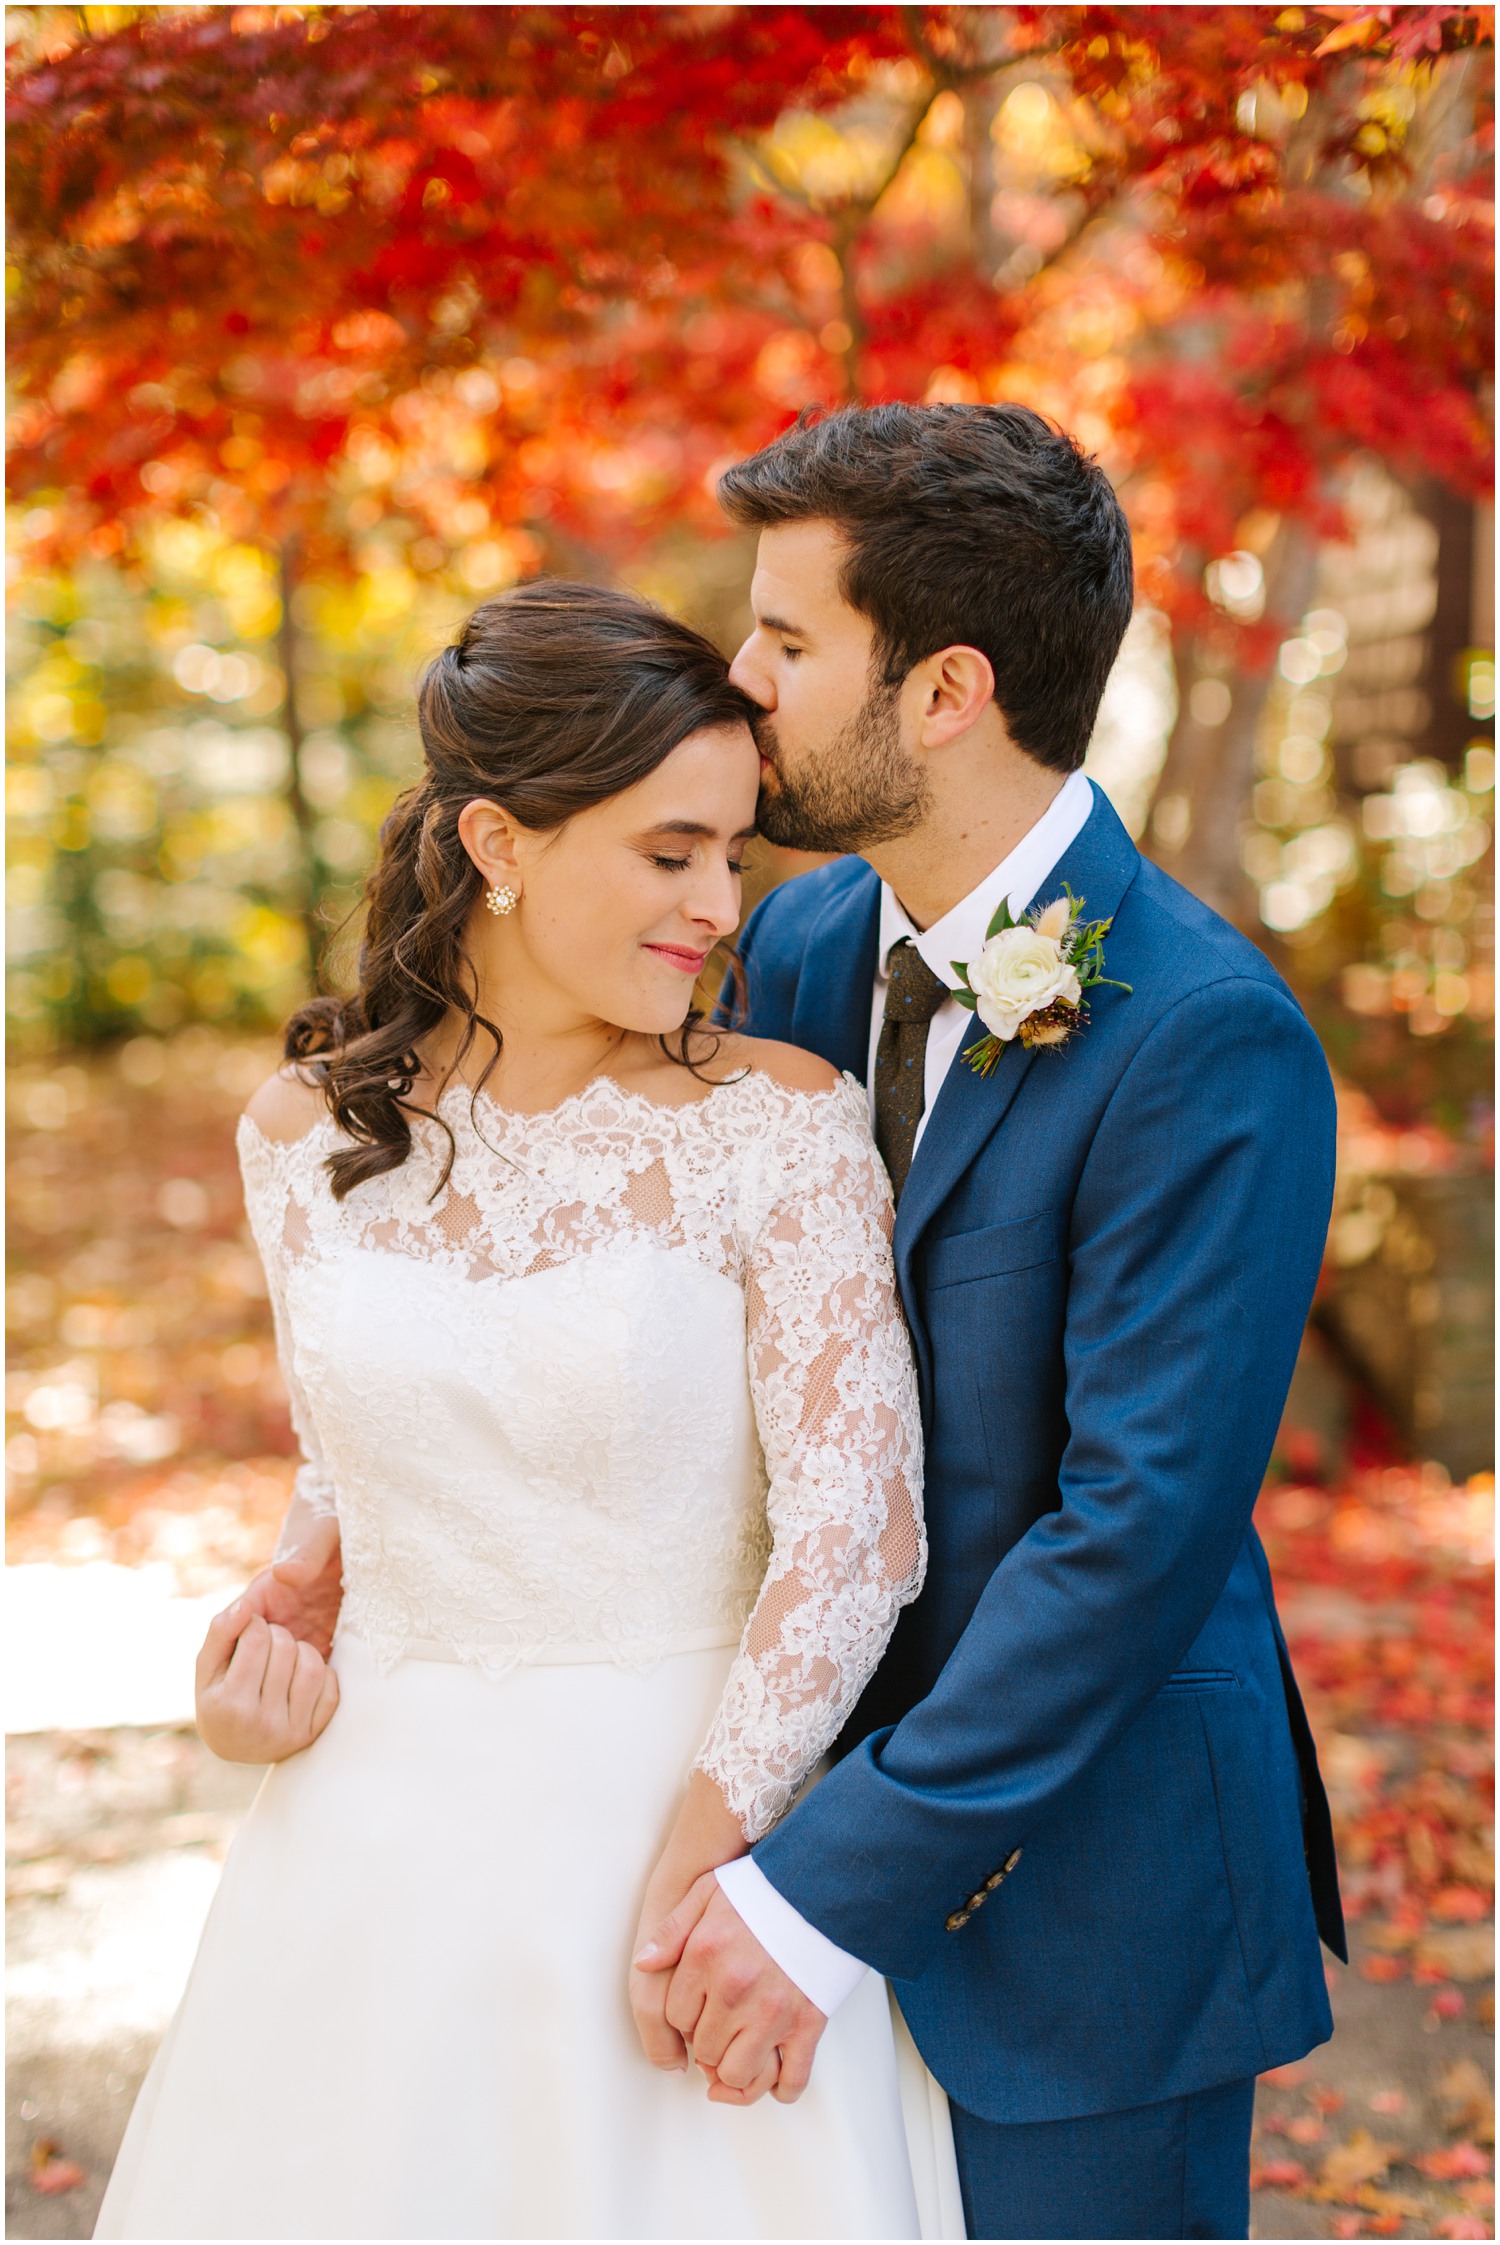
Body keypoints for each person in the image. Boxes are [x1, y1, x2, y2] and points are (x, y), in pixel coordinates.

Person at [94, 582, 964, 2241]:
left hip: (686, 1844)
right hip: (368, 1862)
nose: (721, 904)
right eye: (670, 852)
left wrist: (708, 1866)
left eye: (734, 854)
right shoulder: (301, 1132)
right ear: (499, 839)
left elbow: (859, 1532)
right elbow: (340, 1484)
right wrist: (255, 1676)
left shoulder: (778, 1128)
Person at [630, 403, 1347, 2242]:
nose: (741, 676)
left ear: (946, 692)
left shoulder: (1208, 1038)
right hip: (775, 1831)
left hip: (1090, 1913)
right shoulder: (790, 949)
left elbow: (1131, 1538)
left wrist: (819, 1897)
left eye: (789, 641)